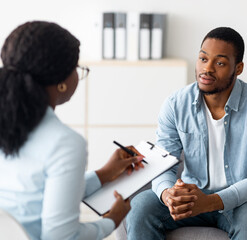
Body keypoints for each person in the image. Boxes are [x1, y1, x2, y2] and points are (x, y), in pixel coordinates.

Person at [126, 27, 247, 240]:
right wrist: (168, 194)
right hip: (194, 196)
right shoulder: (175, 105)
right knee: (141, 205)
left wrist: (209, 202)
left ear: (238, 68)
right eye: (203, 58)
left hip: (244, 201)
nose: (207, 68)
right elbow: (162, 165)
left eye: (219, 63)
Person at [0, 21, 144, 240]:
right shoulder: (64, 143)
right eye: (77, 68)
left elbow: (37, 198)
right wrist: (112, 220)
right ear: (61, 83)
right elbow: (62, 236)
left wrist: (104, 174)